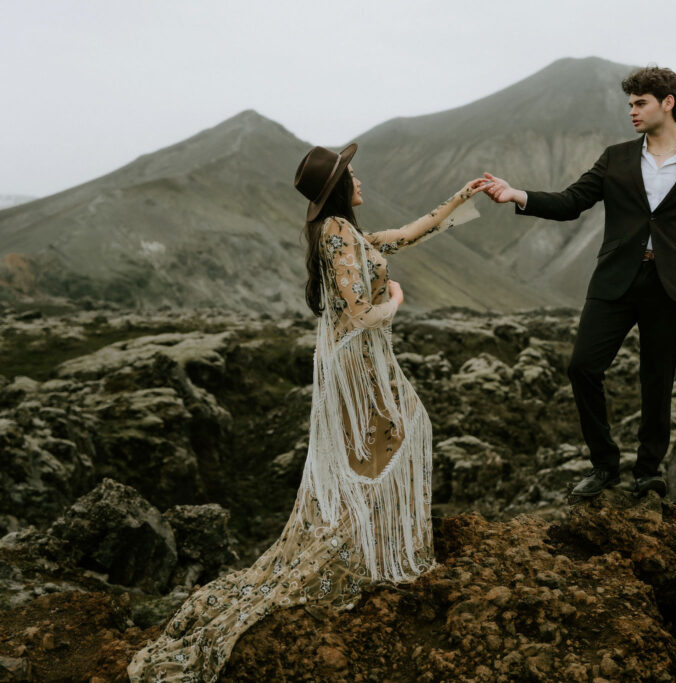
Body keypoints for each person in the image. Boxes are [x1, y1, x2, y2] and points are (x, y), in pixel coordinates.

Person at [128, 143, 490, 681]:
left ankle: (376, 551)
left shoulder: (347, 232)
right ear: (339, 186)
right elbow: (361, 312)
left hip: (361, 360)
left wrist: (465, 195)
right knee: (394, 442)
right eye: (352, 174)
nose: (359, 179)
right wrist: (397, 301)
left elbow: (410, 234)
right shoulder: (338, 234)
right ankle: (378, 555)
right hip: (357, 362)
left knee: (388, 446)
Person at [482, 65, 676, 500]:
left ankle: (648, 471)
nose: (632, 111)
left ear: (667, 103)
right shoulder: (615, 157)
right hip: (615, 280)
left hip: (670, 286)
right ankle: (604, 465)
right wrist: (517, 194)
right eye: (630, 104)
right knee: (582, 367)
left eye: (640, 103)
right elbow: (571, 202)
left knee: (657, 381)